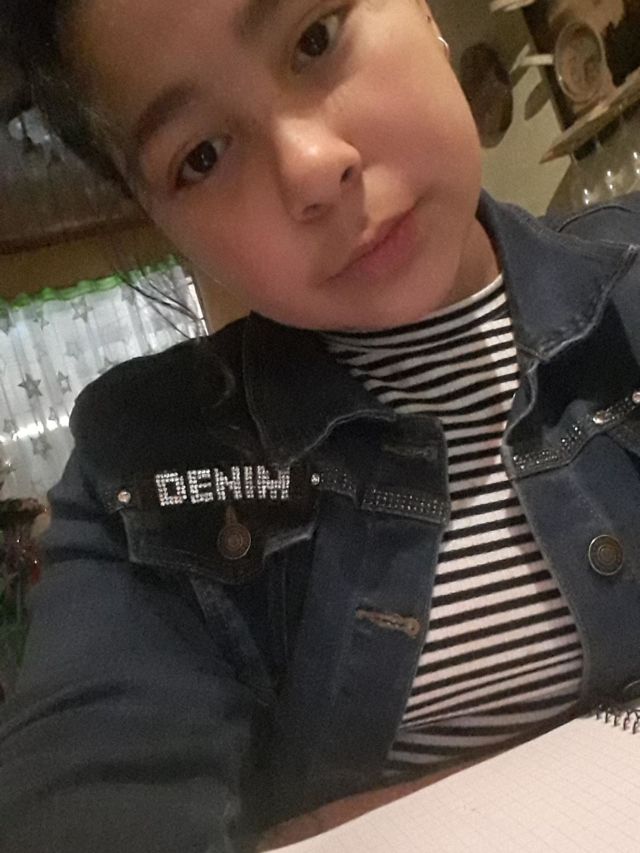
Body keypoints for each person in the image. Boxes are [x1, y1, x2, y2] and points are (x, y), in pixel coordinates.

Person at [1, 1, 640, 851]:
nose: (311, 169)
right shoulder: (149, 467)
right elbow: (86, 792)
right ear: (163, 221)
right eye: (202, 156)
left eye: (315, 38)